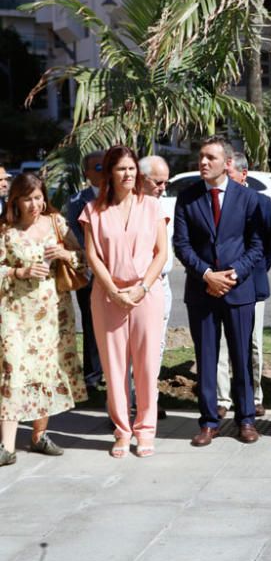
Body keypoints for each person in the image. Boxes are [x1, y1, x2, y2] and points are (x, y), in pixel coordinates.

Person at [173, 136, 265, 447]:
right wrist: (207, 275)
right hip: (202, 291)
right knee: (207, 358)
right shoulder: (187, 198)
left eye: (210, 157)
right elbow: (181, 245)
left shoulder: (247, 198)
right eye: (201, 156)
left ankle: (247, 419)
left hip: (239, 291)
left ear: (227, 163)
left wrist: (233, 274)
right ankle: (209, 421)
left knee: (241, 357)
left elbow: (257, 246)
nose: (203, 162)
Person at [79, 146, 168, 458]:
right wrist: (114, 291)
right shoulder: (94, 210)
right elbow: (92, 255)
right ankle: (121, 431)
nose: (128, 174)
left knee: (146, 367)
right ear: (110, 173)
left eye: (132, 168)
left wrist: (142, 289)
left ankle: (145, 431)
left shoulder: (153, 207)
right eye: (121, 169)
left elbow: (161, 253)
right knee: (114, 368)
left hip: (146, 295)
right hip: (107, 296)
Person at [0, 173, 87, 466]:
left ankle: (39, 435)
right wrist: (18, 272)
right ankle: (7, 446)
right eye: (28, 198)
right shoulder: (6, 230)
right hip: (14, 312)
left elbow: (84, 259)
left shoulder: (55, 223)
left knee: (46, 370)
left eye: (39, 198)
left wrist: (65, 253)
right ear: (16, 200)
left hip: (53, 312)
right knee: (13, 370)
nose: (35, 204)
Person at [217, 152, 271, 420]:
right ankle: (222, 399)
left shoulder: (262, 202)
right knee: (223, 348)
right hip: (219, 285)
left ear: (243, 174)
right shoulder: (215, 200)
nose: (224, 178)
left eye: (229, 173)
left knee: (253, 345)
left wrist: (248, 272)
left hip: (253, 284)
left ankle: (254, 397)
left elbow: (267, 246)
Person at [62, 150, 106, 394]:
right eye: (98, 168)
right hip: (90, 273)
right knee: (91, 326)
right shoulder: (78, 201)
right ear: (87, 173)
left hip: (117, 273)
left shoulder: (118, 196)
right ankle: (92, 375)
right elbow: (77, 238)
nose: (104, 172)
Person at [138, 155, 172, 420]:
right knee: (130, 351)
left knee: (156, 347)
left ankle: (150, 401)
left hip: (162, 283)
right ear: (141, 179)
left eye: (166, 182)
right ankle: (130, 401)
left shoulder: (164, 206)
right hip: (134, 286)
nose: (163, 187)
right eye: (158, 182)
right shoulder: (129, 206)